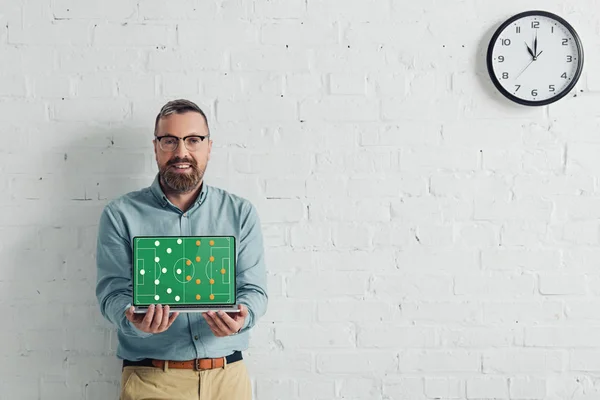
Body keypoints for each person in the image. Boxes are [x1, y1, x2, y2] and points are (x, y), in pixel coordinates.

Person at [95, 99, 268, 400]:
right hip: (151, 379)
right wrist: (132, 319)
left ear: (209, 147)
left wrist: (244, 315)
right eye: (169, 141)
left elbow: (254, 289)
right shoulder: (120, 214)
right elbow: (112, 292)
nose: (181, 152)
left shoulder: (240, 212)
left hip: (228, 380)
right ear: (156, 147)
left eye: (192, 140)